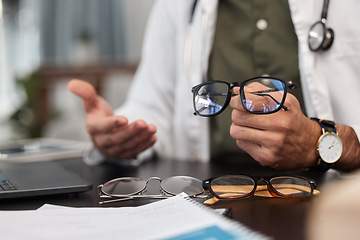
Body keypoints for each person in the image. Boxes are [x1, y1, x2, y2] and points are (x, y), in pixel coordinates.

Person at [68, 0, 360, 171]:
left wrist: (325, 143)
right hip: (212, 193)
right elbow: (153, 104)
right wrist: (120, 131)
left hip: (336, 198)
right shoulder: (177, 5)